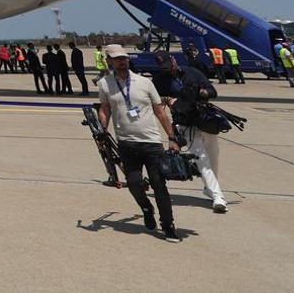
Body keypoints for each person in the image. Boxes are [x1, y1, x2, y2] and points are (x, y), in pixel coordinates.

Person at [97, 44, 182, 241]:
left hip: (151, 143)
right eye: (117, 59)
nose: (122, 61)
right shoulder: (105, 84)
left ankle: (168, 225)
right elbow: (105, 109)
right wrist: (102, 130)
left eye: (124, 58)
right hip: (126, 143)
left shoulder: (144, 82)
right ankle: (146, 208)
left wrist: (171, 137)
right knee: (134, 184)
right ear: (109, 61)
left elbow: (160, 111)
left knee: (159, 185)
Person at [153, 55, 228, 214]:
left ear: (173, 61)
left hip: (204, 119)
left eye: (168, 65)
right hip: (184, 123)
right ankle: (218, 196)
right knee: (201, 158)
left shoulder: (192, 72)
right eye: (163, 67)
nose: (167, 69)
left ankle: (209, 188)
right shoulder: (159, 81)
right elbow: (154, 101)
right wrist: (168, 99)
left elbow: (213, 91)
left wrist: (203, 92)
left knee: (213, 156)